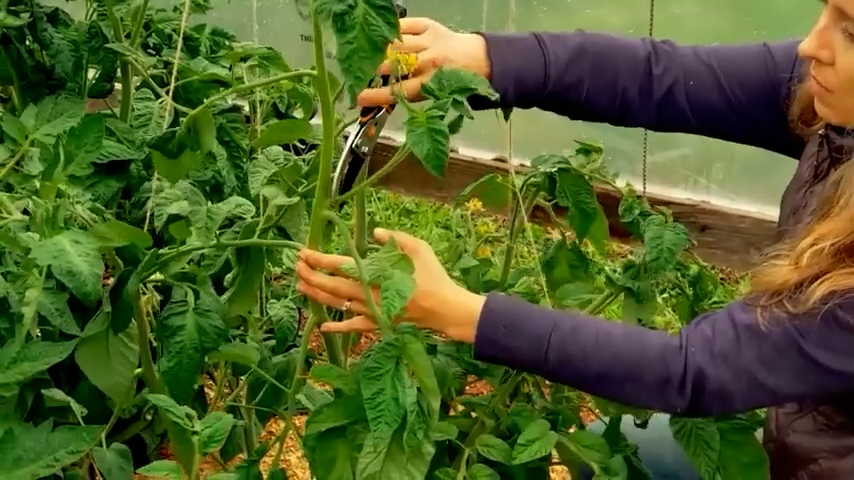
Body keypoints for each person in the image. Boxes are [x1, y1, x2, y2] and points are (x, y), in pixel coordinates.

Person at [295, 2, 854, 478]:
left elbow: (692, 369)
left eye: (849, 29)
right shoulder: (829, 97)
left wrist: (460, 312)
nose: (810, 45)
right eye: (825, 9)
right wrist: (488, 58)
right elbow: (662, 76)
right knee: (618, 453)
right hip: (809, 434)